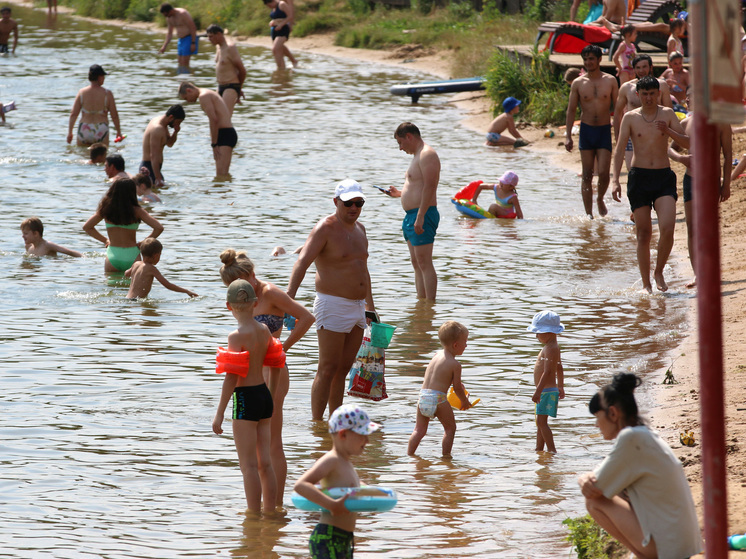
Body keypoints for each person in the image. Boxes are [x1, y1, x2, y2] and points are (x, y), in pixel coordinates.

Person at [219, 248, 315, 507]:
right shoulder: (243, 298)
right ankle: (262, 511)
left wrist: (281, 348)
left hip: (273, 372)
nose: (240, 287)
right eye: (232, 285)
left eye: (244, 280)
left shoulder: (271, 292)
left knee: (273, 445)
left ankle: (275, 505)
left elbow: (306, 317)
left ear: (253, 273)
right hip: (249, 378)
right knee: (256, 456)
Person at [577, 373, 702, 559]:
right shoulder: (645, 434)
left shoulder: (631, 439)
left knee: (594, 501)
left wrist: (582, 479)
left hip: (670, 549)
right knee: (617, 490)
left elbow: (595, 489)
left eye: (597, 417)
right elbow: (606, 476)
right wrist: (587, 479)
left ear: (612, 413)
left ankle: (640, 555)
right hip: (683, 543)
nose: (596, 425)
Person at [287, 179, 376, 420]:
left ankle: (334, 421)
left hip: (358, 308)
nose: (354, 208)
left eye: (359, 203)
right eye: (348, 203)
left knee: (343, 370)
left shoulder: (361, 229)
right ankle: (317, 425)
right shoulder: (325, 228)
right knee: (327, 369)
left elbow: (363, 269)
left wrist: (371, 307)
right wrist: (288, 302)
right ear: (336, 202)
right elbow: (302, 263)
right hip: (332, 303)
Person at [612, 76, 689, 292]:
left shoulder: (667, 114)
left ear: (658, 94)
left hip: (663, 177)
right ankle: (646, 283)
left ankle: (659, 271)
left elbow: (686, 143)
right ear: (638, 95)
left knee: (667, 227)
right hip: (639, 178)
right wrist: (615, 180)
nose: (648, 98)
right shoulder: (629, 117)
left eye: (652, 93)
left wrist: (669, 131)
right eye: (644, 94)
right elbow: (619, 151)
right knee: (643, 233)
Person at [212, 279, 279, 514]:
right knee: (265, 463)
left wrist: (219, 413)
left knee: (248, 466)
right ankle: (270, 511)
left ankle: (252, 516)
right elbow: (276, 364)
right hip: (263, 394)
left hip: (245, 398)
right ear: (255, 303)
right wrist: (270, 396)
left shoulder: (236, 337)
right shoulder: (264, 331)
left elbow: (231, 377)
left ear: (228, 306)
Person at [293, 403, 380, 559]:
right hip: (328, 537)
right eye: (362, 435)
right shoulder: (331, 460)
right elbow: (301, 485)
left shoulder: (346, 463)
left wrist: (376, 494)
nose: (367, 441)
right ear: (343, 435)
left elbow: (356, 488)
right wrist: (331, 505)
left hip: (343, 539)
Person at [668, 98, 731, 288]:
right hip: (690, 179)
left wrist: (726, 184)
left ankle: (710, 270)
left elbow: (728, 155)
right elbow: (670, 149)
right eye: (687, 97)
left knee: (709, 226)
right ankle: (698, 274)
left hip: (711, 181)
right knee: (692, 227)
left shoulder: (720, 122)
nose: (688, 100)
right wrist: (681, 159)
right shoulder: (685, 123)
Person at [387, 122, 440, 301]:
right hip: (413, 215)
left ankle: (430, 305)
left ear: (409, 136)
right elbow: (417, 187)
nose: (400, 148)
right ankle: (422, 305)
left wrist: (420, 216)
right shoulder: (417, 156)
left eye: (400, 143)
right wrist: (399, 194)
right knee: (416, 263)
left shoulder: (427, 154)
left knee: (424, 262)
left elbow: (430, 187)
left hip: (422, 214)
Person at [565, 45, 619, 218]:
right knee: (587, 174)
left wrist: (619, 133)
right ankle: (589, 215)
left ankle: (600, 198)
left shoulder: (610, 80)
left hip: (604, 130)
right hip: (586, 131)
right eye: (585, 59)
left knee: (603, 173)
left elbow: (618, 109)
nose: (588, 62)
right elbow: (571, 110)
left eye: (591, 59)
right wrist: (567, 136)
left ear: (599, 60)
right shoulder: (578, 83)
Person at [407, 321, 471, 458]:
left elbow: (439, 378)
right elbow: (457, 388)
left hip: (422, 397)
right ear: (455, 345)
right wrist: (464, 401)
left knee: (419, 430)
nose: (466, 345)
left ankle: (409, 456)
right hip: (438, 399)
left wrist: (458, 385)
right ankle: (446, 458)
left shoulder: (436, 355)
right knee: (450, 428)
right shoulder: (455, 364)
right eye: (465, 341)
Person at [82, 177, 164, 273]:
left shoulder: (106, 209)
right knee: (134, 287)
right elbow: (159, 228)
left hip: (113, 255)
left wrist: (105, 240)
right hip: (132, 254)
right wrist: (142, 243)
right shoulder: (137, 211)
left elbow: (87, 227)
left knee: (111, 286)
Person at [614, 54, 673, 172]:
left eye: (644, 67)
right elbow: (617, 113)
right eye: (638, 67)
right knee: (633, 170)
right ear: (634, 69)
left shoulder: (661, 86)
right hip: (632, 133)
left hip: (656, 132)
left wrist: (668, 134)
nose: (641, 71)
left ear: (651, 67)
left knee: (655, 169)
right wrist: (618, 137)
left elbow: (669, 111)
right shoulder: (627, 88)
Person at [178, 81, 237, 177]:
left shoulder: (203, 96)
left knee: (220, 175)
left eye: (186, 98)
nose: (188, 101)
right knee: (224, 175)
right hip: (228, 133)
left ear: (189, 90)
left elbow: (214, 119)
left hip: (225, 135)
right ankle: (228, 191)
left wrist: (214, 144)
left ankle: (222, 192)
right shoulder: (208, 92)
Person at [526, 311, 565, 454]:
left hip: (545, 391)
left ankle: (552, 450)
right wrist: (560, 386)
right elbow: (560, 368)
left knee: (542, 423)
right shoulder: (553, 347)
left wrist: (538, 391)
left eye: (538, 333)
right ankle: (539, 450)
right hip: (549, 390)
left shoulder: (551, 348)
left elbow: (548, 372)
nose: (536, 336)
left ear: (549, 332)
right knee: (540, 423)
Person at [67, 65, 122, 147]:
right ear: (99, 77)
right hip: (101, 129)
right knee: (102, 157)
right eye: (103, 76)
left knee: (82, 157)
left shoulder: (82, 92)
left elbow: (73, 114)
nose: (104, 78)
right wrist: (118, 132)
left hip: (84, 128)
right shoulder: (107, 93)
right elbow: (114, 115)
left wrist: (70, 132)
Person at [124, 238, 196, 299]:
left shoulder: (136, 264)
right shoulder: (151, 269)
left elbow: (126, 274)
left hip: (128, 298)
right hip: (136, 301)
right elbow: (168, 285)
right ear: (156, 256)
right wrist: (187, 291)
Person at [207, 24, 246, 116]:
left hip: (231, 86)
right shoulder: (218, 47)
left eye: (211, 36)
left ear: (219, 34)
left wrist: (238, 88)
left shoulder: (230, 48)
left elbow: (242, 71)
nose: (209, 39)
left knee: (225, 117)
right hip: (220, 86)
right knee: (215, 117)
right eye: (208, 37)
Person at [141, 104, 185, 186]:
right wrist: (158, 178)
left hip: (154, 168)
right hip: (149, 168)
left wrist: (175, 132)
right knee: (152, 197)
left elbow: (169, 143)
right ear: (171, 117)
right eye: (178, 122)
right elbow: (153, 155)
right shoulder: (157, 129)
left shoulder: (163, 124)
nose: (178, 125)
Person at [158, 3, 198, 74]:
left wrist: (193, 43)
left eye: (166, 15)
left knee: (185, 63)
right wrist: (164, 46)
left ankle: (188, 79)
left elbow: (193, 28)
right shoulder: (169, 18)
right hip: (180, 40)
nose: (166, 17)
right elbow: (169, 33)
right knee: (180, 63)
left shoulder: (183, 14)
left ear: (170, 11)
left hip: (189, 38)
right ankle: (181, 79)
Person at [262, 0, 298, 71]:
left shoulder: (282, 4)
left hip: (283, 29)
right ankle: (291, 62)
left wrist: (282, 24)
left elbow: (290, 16)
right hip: (275, 30)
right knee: (279, 47)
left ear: (272, 1)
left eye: (269, 5)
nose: (269, 7)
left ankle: (280, 69)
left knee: (275, 48)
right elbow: (276, 17)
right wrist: (272, 22)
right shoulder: (274, 7)